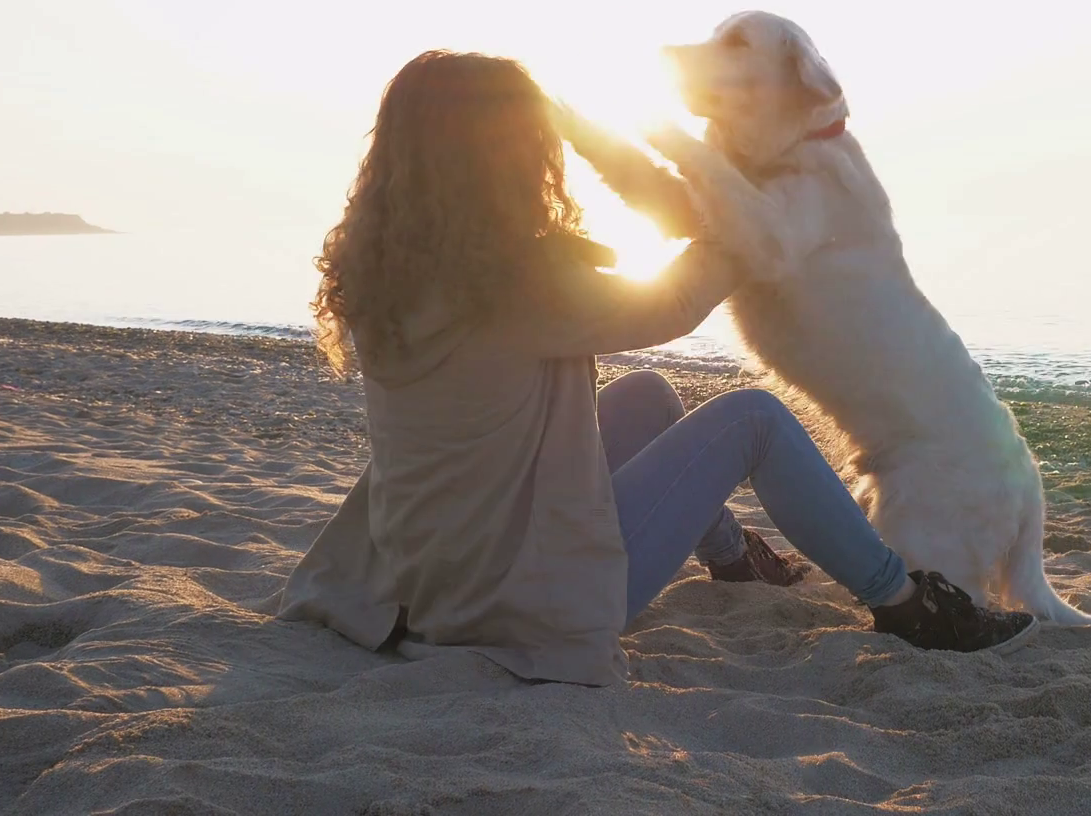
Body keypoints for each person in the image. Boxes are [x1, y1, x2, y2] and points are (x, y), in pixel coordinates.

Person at [276, 50, 1033, 685]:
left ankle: (734, 561)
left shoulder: (385, 269)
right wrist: (758, 221)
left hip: (422, 570)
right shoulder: (512, 283)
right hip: (517, 599)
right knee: (755, 421)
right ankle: (907, 603)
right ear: (505, 155)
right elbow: (677, 301)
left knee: (644, 395)